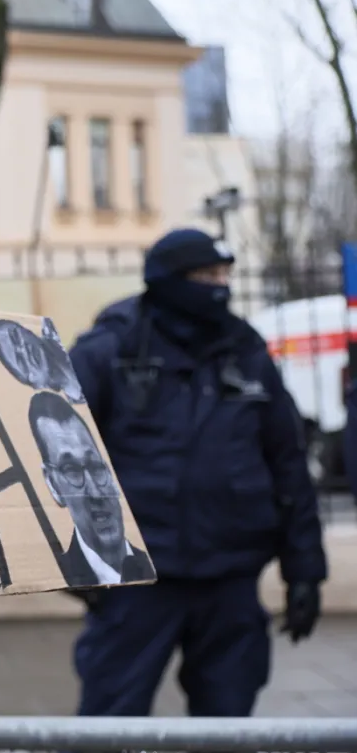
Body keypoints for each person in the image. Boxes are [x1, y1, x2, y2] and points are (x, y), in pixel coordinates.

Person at [68, 228, 326, 718]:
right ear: (168, 281)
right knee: (109, 723)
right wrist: (78, 568)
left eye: (224, 275)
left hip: (230, 579)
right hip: (136, 582)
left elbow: (288, 463)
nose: (220, 287)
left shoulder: (244, 350)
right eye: (206, 276)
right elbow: (57, 448)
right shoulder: (113, 348)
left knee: (228, 723)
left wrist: (305, 572)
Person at [27, 392, 153, 587]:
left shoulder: (155, 562)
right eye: (72, 471)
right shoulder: (56, 580)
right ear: (53, 484)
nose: (95, 492)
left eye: (95, 466)